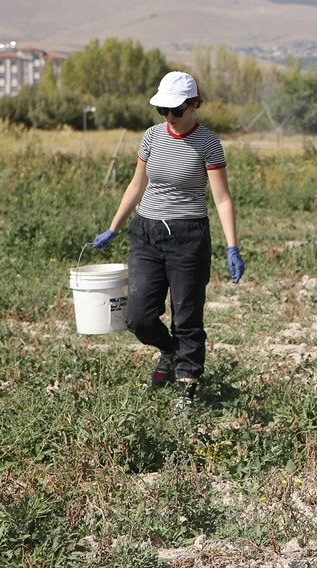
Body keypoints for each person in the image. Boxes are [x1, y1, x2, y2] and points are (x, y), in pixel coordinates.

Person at [92, 71, 244, 412]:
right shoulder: (152, 137)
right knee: (138, 317)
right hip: (146, 233)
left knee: (187, 316)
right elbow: (137, 184)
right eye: (163, 110)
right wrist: (114, 227)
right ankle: (171, 352)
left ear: (194, 105)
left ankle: (187, 391)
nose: (169, 117)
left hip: (189, 237)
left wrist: (232, 246)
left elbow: (222, 198)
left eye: (175, 110)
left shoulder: (208, 143)